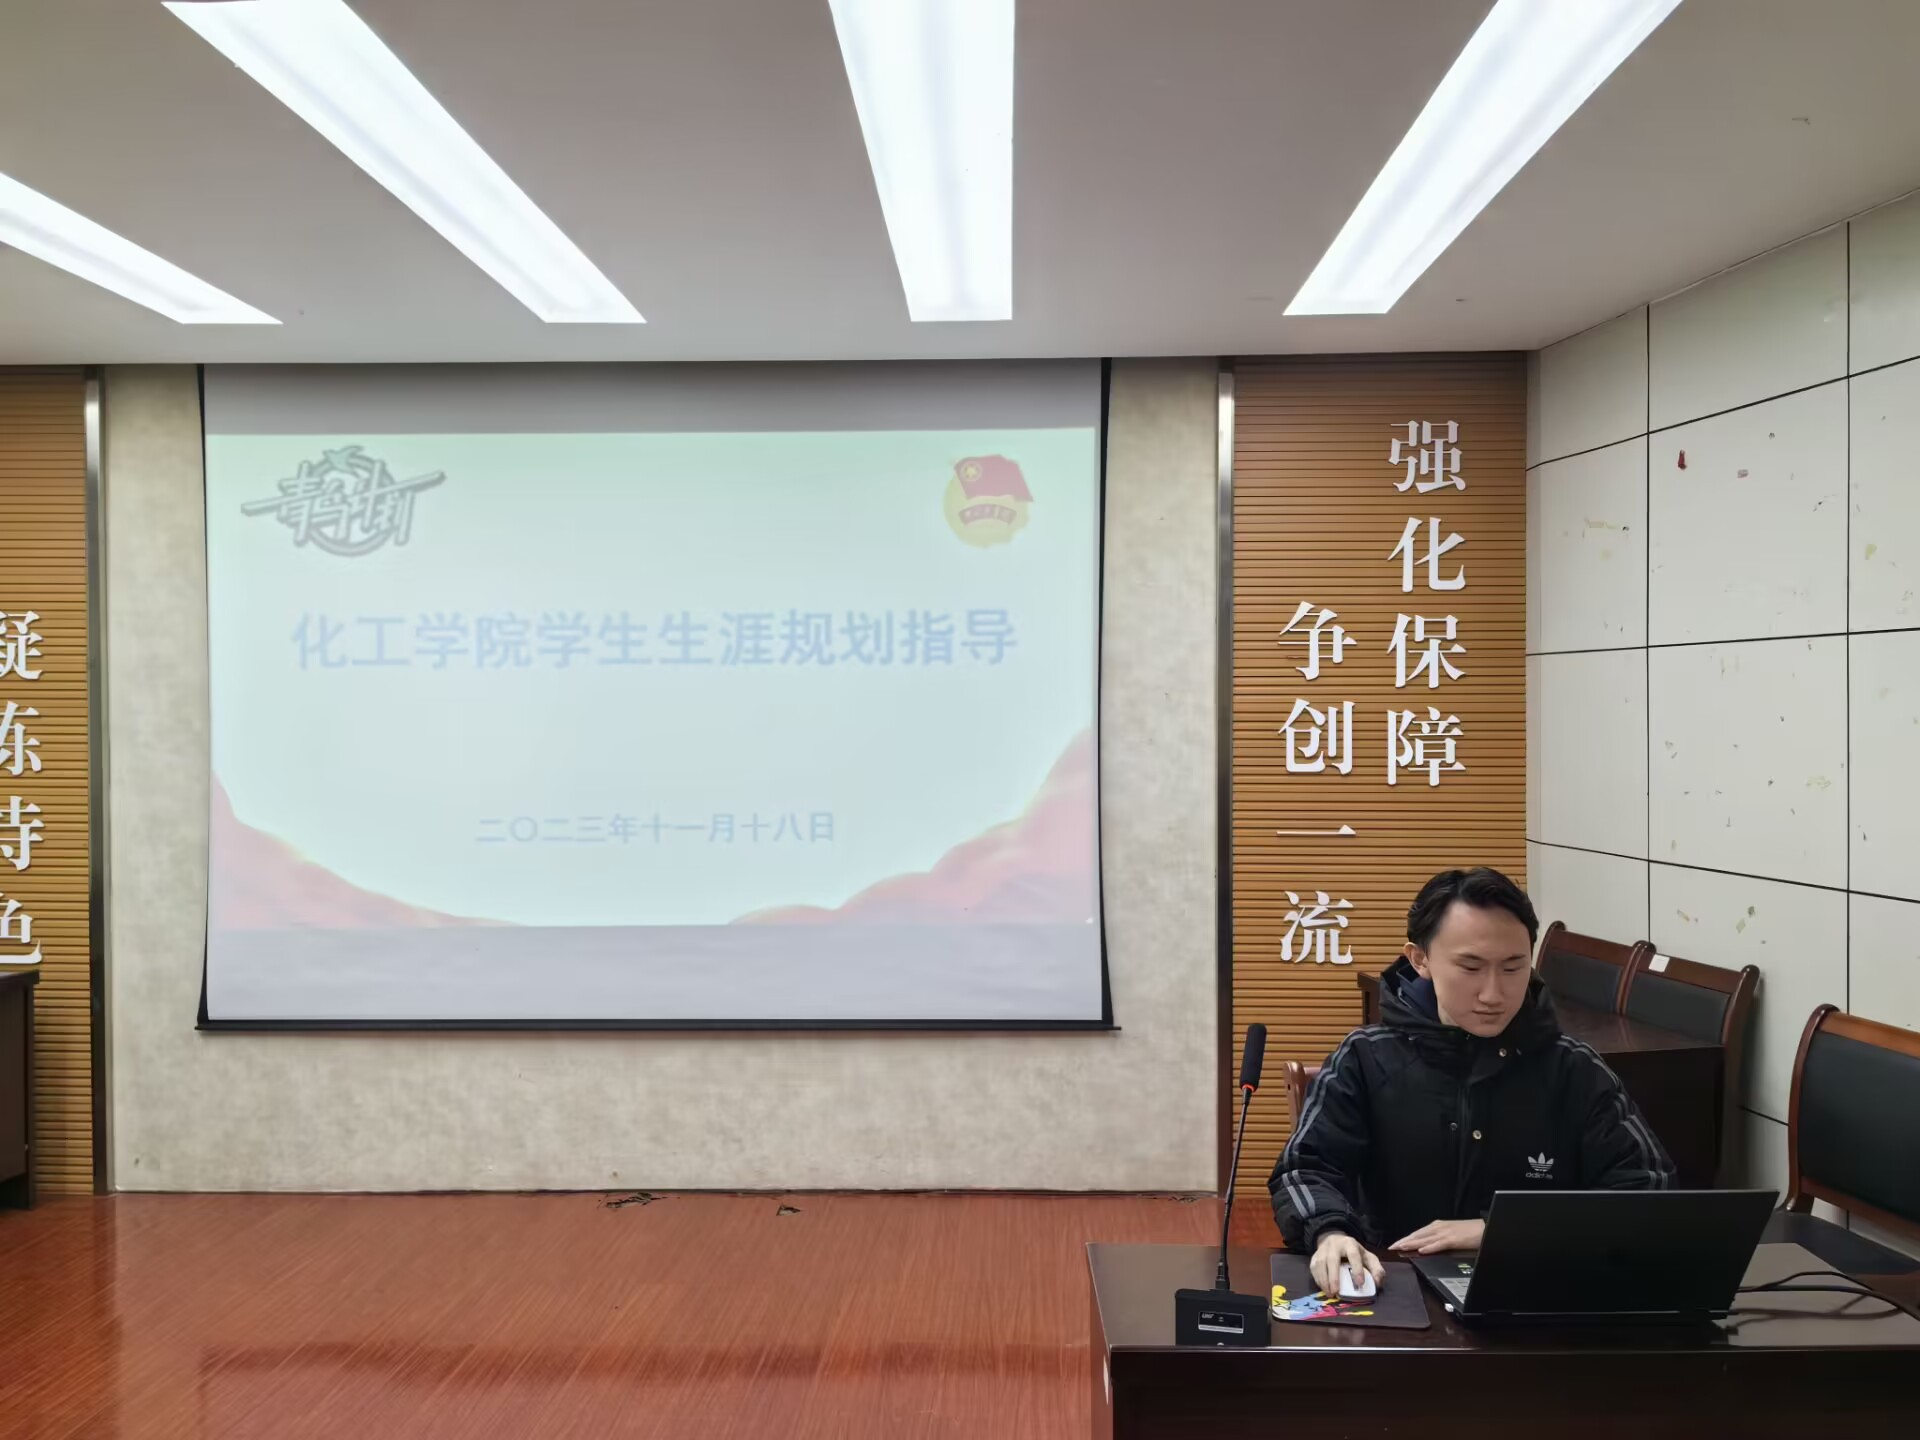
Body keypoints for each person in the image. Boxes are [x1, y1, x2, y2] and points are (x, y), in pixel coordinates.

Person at [1269, 867, 1674, 1297]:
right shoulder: (1366, 1059)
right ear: (1420, 959)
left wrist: (1500, 1229)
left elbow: (1649, 1191)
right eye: (1471, 967)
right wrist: (1330, 1232)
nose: (1493, 993)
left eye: (1513, 967)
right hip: (1394, 1288)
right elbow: (1305, 1169)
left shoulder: (1574, 1070)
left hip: (1540, 1295)